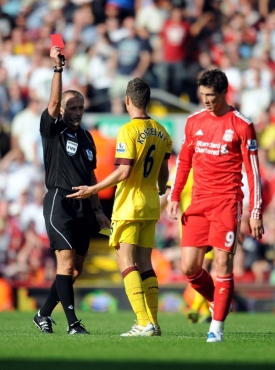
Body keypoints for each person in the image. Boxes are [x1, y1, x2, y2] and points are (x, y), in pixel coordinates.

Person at [67, 77, 172, 336]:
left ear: (127, 100)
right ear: (148, 100)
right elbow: (162, 172)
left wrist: (93, 189)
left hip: (130, 204)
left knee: (126, 260)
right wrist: (160, 189)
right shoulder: (163, 131)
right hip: (150, 204)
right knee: (145, 262)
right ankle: (154, 323)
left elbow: (124, 171)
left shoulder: (127, 130)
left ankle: (143, 322)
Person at [166, 69, 264, 342]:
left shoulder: (242, 124)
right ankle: (218, 301)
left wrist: (255, 212)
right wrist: (174, 197)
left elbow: (253, 172)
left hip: (226, 203)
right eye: (203, 95)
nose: (206, 100)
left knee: (222, 263)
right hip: (197, 203)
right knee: (189, 268)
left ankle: (216, 329)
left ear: (223, 93)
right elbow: (184, 161)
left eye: (211, 96)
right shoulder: (193, 122)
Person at [33, 45, 110, 335]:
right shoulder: (52, 129)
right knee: (64, 265)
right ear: (63, 110)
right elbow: (52, 103)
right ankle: (73, 324)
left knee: (74, 270)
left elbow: (90, 173)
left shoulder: (88, 136)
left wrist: (98, 211)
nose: (77, 112)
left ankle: (42, 313)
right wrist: (58, 69)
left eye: (80, 108)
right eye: (72, 108)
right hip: (59, 202)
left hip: (84, 207)